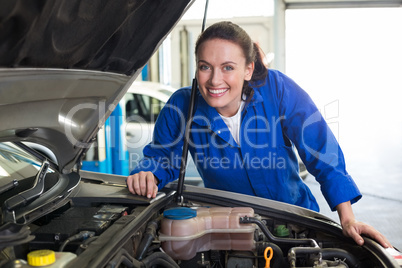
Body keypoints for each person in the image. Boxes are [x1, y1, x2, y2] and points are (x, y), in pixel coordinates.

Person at [127, 21, 390, 248]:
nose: (215, 80)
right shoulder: (181, 106)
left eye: (228, 67)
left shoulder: (277, 89)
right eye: (205, 66)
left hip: (295, 220)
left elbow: (321, 149)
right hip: (229, 228)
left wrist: (347, 218)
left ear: (248, 69)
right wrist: (148, 174)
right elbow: (162, 157)